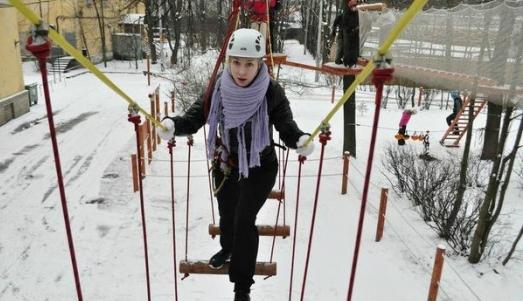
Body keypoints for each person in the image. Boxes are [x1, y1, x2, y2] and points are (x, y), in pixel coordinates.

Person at [158, 28, 314, 301]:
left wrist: (299, 139)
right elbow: (197, 115)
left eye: (249, 64)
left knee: (244, 219)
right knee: (227, 213)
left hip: (259, 165)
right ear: (229, 61)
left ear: (259, 64)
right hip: (227, 161)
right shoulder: (219, 86)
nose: (241, 71)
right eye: (236, 63)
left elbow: (286, 126)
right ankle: (227, 248)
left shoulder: (271, 92)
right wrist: (175, 124)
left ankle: (242, 287)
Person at [330, 0, 360, 67]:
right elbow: (335, 24)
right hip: (342, 33)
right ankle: (338, 60)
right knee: (341, 47)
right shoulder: (342, 16)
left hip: (346, 33)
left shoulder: (354, 15)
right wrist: (333, 32)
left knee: (346, 47)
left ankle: (346, 60)